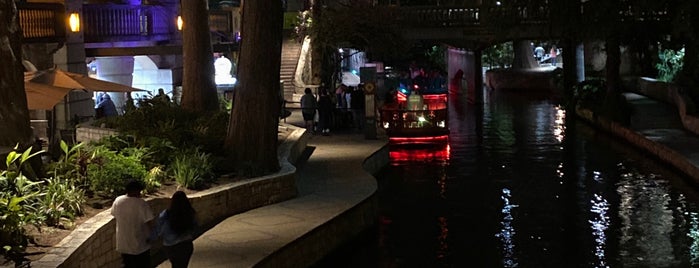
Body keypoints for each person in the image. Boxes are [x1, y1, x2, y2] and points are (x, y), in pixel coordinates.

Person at [111, 180, 155, 268]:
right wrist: (152, 236)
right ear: (136, 190)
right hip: (140, 244)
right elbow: (149, 222)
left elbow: (114, 214)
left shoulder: (118, 201)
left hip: (123, 243)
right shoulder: (141, 203)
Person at [154, 191, 197, 268]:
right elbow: (194, 228)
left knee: (175, 264)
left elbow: (159, 229)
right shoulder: (190, 213)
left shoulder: (166, 214)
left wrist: (151, 238)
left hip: (170, 246)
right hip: (185, 245)